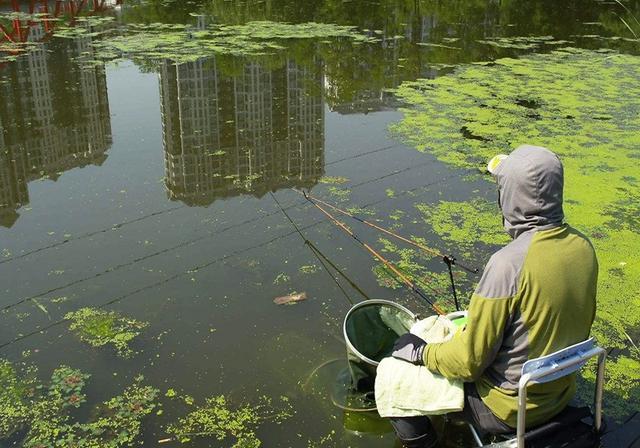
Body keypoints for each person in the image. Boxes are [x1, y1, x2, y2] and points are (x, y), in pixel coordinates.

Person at [389, 145, 598, 447]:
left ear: (512, 196)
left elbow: (468, 362)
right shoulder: (583, 247)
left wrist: (421, 353)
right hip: (561, 394)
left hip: (508, 409)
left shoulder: (508, 265)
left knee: (394, 381)